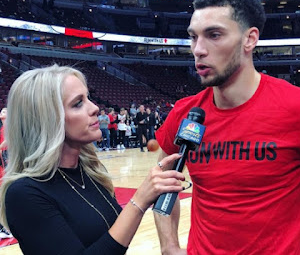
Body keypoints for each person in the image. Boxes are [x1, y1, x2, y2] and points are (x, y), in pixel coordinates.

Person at [154, 0, 300, 255]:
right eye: (193, 37)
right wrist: (169, 246)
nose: (198, 49)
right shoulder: (185, 113)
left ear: (249, 39)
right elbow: (161, 182)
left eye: (214, 35)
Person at [0, 65, 185, 255]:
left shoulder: (89, 171)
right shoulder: (23, 194)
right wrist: (138, 202)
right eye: (78, 103)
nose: (95, 108)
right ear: (47, 119)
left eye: (88, 97)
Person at [0, 108, 13, 240]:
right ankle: (5, 227)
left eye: (6, 111)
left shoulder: (12, 129)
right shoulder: (1, 132)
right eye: (2, 111)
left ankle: (8, 227)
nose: (3, 111)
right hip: (4, 171)